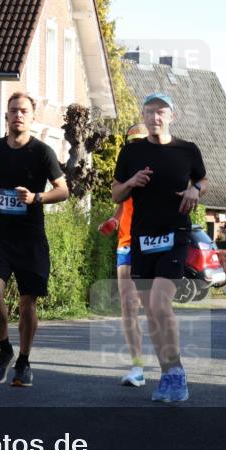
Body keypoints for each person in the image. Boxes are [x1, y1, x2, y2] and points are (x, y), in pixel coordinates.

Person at [113, 92, 207, 402]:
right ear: (144, 115)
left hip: (175, 234)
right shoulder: (131, 153)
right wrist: (131, 183)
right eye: (150, 111)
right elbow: (116, 194)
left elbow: (203, 181)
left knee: (160, 303)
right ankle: (168, 374)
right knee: (151, 313)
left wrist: (195, 189)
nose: (155, 117)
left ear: (171, 116)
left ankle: (177, 372)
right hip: (142, 238)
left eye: (161, 112)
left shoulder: (187, 150)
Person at [0, 92, 69, 387]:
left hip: (31, 238)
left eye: (24, 111)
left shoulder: (42, 152)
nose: (18, 115)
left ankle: (24, 361)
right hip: (1, 237)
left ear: (32, 117)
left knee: (27, 302)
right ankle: (5, 349)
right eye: (13, 110)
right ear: (6, 116)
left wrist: (36, 197)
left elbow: (63, 189)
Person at [98, 123, 148, 387]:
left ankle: (171, 366)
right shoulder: (124, 173)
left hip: (153, 244)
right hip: (127, 245)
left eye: (142, 142)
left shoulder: (160, 170)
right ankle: (137, 368)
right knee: (129, 307)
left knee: (155, 308)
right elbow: (122, 206)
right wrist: (113, 222)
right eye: (132, 143)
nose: (136, 147)